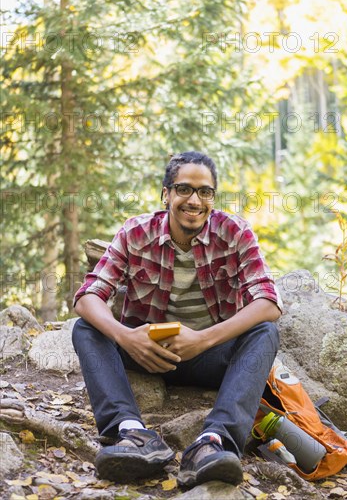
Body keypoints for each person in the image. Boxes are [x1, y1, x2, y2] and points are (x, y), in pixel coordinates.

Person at [72, 151, 282, 488]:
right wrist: (127, 338)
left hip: (209, 357)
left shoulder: (235, 232)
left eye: (205, 192)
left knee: (265, 332)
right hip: (145, 353)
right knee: (85, 328)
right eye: (184, 189)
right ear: (166, 193)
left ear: (212, 197)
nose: (195, 200)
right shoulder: (135, 232)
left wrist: (202, 339)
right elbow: (87, 296)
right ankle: (132, 433)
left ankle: (213, 443)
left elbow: (268, 302)